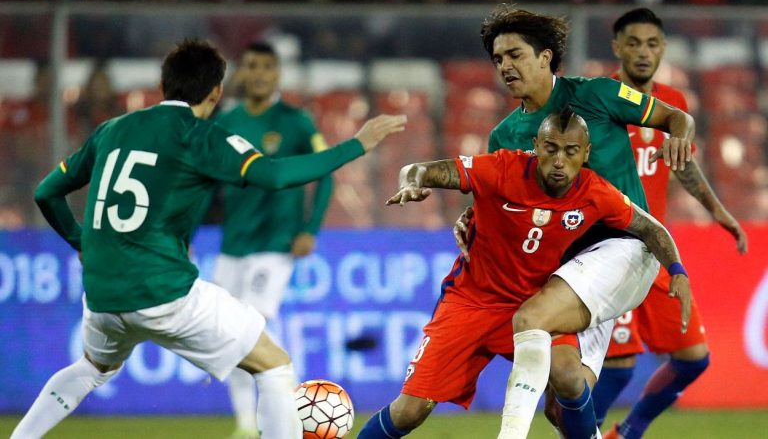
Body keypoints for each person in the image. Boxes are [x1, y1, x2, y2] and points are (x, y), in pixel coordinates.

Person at [11, 38, 406, 439]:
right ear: (216, 91)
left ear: (164, 83)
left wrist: (81, 241)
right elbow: (275, 176)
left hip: (101, 295)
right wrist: (357, 144)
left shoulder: (112, 129)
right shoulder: (200, 135)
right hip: (162, 291)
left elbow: (46, 191)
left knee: (90, 370)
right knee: (273, 364)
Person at [357, 107, 691, 439]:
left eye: (571, 151)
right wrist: (411, 183)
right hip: (471, 302)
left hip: (535, 305)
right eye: (551, 149)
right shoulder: (502, 168)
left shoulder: (594, 192)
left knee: (568, 377)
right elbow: (419, 170)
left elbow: (651, 229)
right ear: (536, 145)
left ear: (585, 154)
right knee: (410, 410)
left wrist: (677, 271)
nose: (559, 161)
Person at [450, 5, 696, 439]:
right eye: (498, 59)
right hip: (568, 268)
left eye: (515, 54)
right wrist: (469, 218)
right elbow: (498, 207)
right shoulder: (504, 136)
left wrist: (679, 136)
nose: (505, 66)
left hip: (626, 246)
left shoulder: (599, 94)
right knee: (565, 391)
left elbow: (676, 117)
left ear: (545, 57)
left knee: (530, 321)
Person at [591, 8, 748, 439]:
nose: (644, 52)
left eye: (653, 43)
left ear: (663, 48)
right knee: (619, 368)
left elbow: (685, 167)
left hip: (656, 250)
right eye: (635, 43)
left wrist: (719, 212)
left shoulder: (673, 106)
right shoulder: (597, 100)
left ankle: (628, 432)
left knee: (693, 358)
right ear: (617, 46)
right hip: (607, 247)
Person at [211, 42, 334, 439]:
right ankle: (247, 424)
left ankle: (289, 390)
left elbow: (326, 174)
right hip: (233, 243)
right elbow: (205, 181)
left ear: (278, 73)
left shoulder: (297, 121)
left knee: (254, 318)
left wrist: (309, 229)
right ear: (242, 73)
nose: (259, 73)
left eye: (267, 66)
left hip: (276, 243)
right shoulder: (227, 121)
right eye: (251, 66)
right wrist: (186, 230)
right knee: (229, 330)